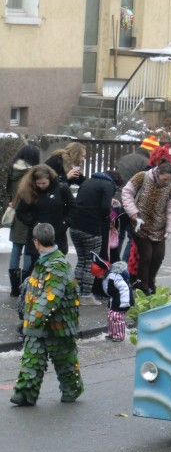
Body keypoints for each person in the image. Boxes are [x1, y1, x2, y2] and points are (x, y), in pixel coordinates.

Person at [10, 223, 83, 407]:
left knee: (65, 361)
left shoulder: (58, 265)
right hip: (39, 326)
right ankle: (25, 393)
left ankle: (71, 389)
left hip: (59, 326)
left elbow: (50, 298)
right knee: (32, 359)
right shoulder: (44, 262)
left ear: (36, 241)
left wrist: (31, 321)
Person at [121, 157, 171, 294]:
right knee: (146, 255)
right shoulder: (142, 177)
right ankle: (142, 285)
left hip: (159, 226)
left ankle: (151, 281)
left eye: (170, 179)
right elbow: (127, 193)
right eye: (165, 179)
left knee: (159, 255)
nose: (167, 182)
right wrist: (133, 213)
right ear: (158, 173)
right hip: (140, 224)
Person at [69, 169, 123, 304]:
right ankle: (86, 295)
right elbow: (105, 208)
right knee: (89, 262)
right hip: (91, 228)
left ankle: (76, 293)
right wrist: (111, 211)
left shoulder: (88, 182)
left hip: (75, 227)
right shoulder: (108, 185)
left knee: (81, 261)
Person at [15, 164, 75, 264]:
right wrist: (34, 223)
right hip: (38, 236)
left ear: (50, 179)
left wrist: (66, 222)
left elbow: (73, 207)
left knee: (56, 267)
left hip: (57, 233)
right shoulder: (30, 191)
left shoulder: (61, 188)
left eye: (44, 183)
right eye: (38, 183)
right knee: (37, 267)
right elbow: (21, 212)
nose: (41, 186)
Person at [115, 136, 160, 260]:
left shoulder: (125, 158)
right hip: (132, 203)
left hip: (117, 200)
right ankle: (124, 266)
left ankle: (114, 263)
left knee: (118, 234)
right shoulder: (147, 164)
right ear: (151, 151)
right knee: (133, 237)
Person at [5, 143, 40, 296]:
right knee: (28, 250)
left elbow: (8, 190)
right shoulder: (32, 174)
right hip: (28, 213)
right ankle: (25, 286)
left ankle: (14, 288)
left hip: (15, 214)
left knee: (16, 249)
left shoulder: (12, 170)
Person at [102, 260, 134, 342]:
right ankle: (112, 333)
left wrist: (124, 303)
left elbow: (124, 290)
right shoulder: (109, 277)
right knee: (111, 316)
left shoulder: (115, 277)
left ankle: (119, 335)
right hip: (114, 300)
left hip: (121, 301)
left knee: (117, 317)